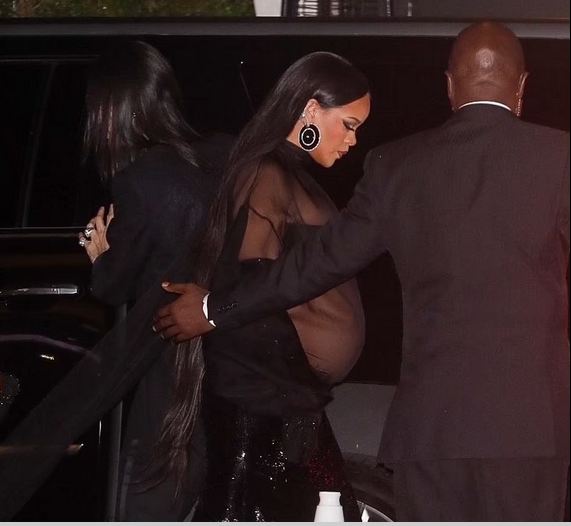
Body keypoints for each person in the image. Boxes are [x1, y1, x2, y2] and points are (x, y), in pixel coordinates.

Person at [154, 22, 570, 521]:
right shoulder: (559, 158)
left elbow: (316, 264)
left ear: (449, 86)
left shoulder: (397, 166)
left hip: (430, 430)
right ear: (521, 86)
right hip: (532, 430)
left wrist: (211, 308)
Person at [157, 51, 370, 521]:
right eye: (349, 125)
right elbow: (252, 281)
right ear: (310, 111)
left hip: (282, 400)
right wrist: (213, 312)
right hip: (260, 403)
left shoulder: (288, 175)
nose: (353, 140)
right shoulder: (266, 172)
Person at [76, 40, 229, 521]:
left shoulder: (140, 179)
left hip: (167, 369)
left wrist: (99, 253)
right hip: (217, 363)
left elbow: (113, 285)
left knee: (144, 495)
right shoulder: (215, 160)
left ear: (113, 110)